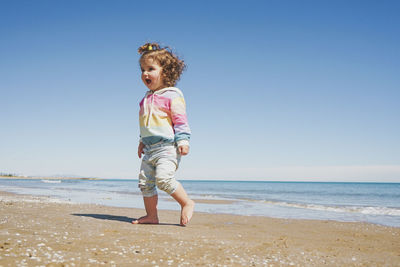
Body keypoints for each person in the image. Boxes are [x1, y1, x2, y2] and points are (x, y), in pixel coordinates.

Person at [132, 42, 195, 226]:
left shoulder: (172, 95)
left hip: (167, 147)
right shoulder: (145, 99)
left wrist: (183, 140)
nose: (145, 73)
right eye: (142, 69)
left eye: (150, 69)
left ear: (165, 72)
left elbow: (180, 120)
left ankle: (186, 202)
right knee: (145, 183)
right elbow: (145, 124)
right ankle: (152, 215)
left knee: (164, 179)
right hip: (149, 148)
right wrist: (141, 142)